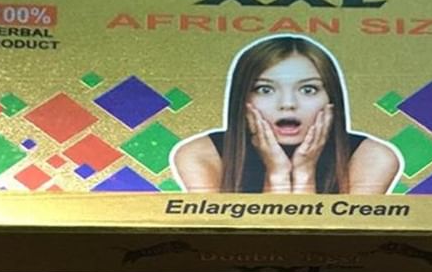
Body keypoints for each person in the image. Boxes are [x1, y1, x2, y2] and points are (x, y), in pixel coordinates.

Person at [170, 35, 402, 194]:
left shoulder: (374, 157)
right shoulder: (199, 154)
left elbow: (333, 244)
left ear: (331, 99)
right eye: (265, 89)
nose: (288, 104)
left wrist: (304, 174)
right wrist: (277, 175)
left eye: (308, 89)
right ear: (243, 99)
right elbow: (238, 243)